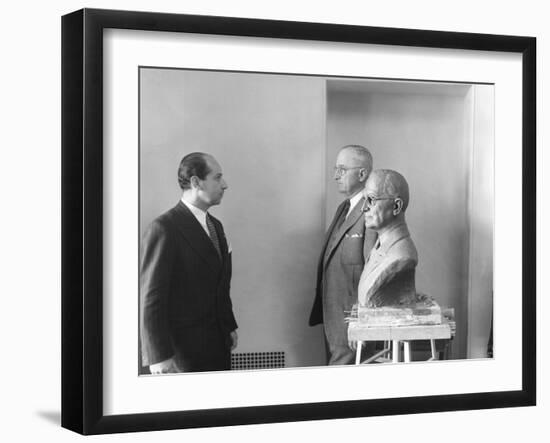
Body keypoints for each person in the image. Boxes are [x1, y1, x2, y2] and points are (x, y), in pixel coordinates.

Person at [140, 152, 238, 374]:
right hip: (182, 355)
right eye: (217, 177)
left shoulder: (216, 226)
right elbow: (151, 298)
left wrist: (228, 325)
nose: (225, 184)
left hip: (218, 345)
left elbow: (220, 284)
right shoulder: (164, 228)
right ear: (196, 182)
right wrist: (159, 357)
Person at [309, 145, 377, 365]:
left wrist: (362, 318)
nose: (335, 175)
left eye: (342, 169)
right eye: (335, 168)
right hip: (334, 310)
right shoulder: (344, 207)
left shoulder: (372, 209)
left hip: (352, 313)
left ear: (362, 174)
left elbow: (372, 269)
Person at [357, 169, 418, 308]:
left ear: (396, 206)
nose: (363, 208)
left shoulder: (402, 256)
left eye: (371, 200)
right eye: (364, 200)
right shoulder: (378, 247)